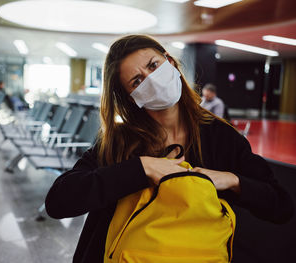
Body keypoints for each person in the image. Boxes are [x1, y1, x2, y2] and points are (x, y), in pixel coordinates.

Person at [45, 35, 293, 263]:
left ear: (170, 62)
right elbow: (59, 201)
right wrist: (140, 169)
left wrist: (231, 180)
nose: (151, 79)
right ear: (132, 97)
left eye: (153, 65)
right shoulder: (120, 141)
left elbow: (281, 206)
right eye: (137, 80)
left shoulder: (220, 137)